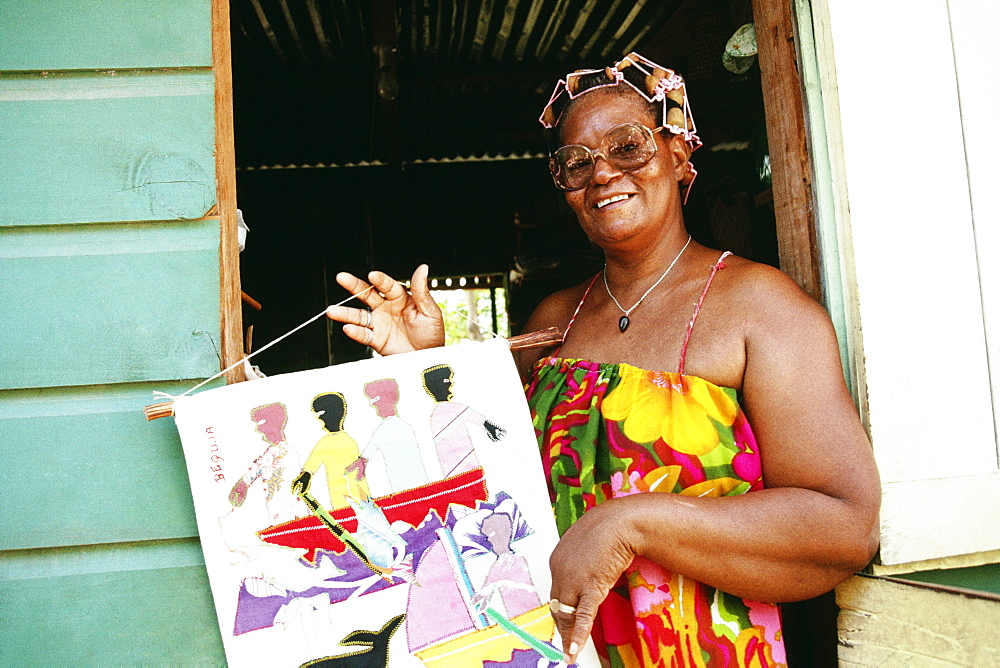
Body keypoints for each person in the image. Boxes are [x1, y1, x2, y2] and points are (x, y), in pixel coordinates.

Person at [326, 52, 880, 667]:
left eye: (628, 147)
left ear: (678, 153)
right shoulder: (552, 320)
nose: (602, 173)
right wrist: (421, 364)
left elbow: (843, 529)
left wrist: (630, 523)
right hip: (554, 649)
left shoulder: (759, 309)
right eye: (576, 162)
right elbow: (489, 486)